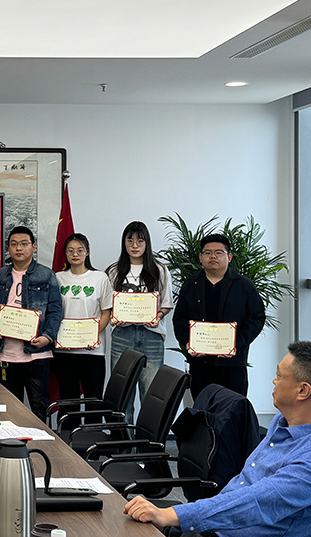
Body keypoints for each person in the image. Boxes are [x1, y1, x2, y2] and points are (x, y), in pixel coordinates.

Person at [124, 341, 311, 536]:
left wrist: (172, 515)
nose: (274, 381)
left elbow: (255, 501)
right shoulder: (283, 422)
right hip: (215, 523)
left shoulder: (307, 460)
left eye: (279, 376)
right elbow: (244, 483)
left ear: (303, 391)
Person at [173, 233, 266, 399]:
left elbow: (256, 317)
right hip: (200, 363)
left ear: (229, 257)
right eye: (208, 253)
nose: (213, 256)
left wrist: (237, 345)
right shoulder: (190, 285)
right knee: (202, 407)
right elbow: (179, 318)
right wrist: (189, 343)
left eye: (218, 252)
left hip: (232, 364)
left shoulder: (244, 285)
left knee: (233, 407)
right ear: (200, 258)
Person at [0, 226, 62, 421]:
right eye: (14, 244)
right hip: (7, 355)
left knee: (39, 410)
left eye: (24, 244)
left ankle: (41, 442)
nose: (18, 248)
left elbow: (55, 310)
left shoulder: (46, 275)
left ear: (33, 247)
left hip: (37, 355)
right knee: (9, 412)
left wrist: (47, 337)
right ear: (8, 248)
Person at [107, 221, 173, 423]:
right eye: (130, 241)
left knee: (151, 394)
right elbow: (107, 305)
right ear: (124, 243)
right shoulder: (114, 271)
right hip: (123, 335)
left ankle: (147, 441)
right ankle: (124, 441)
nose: (134, 245)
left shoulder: (159, 270)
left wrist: (158, 316)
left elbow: (167, 304)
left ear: (147, 243)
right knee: (122, 394)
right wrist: (115, 316)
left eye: (140, 241)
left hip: (151, 336)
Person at [54, 233, 113, 424]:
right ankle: (66, 439)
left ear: (87, 252)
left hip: (92, 350)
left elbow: (106, 312)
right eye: (70, 250)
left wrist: (92, 335)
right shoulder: (58, 278)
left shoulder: (100, 278)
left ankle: (93, 441)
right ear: (65, 253)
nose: (75, 254)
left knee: (93, 399)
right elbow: (53, 312)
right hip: (64, 350)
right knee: (68, 400)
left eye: (80, 250)